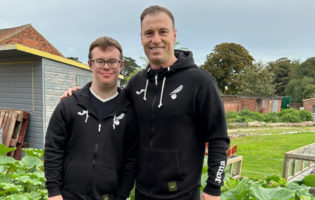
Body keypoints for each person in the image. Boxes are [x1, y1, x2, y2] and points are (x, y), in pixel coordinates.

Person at [62, 5, 230, 200]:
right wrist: (80, 95)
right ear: (141, 38)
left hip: (182, 194)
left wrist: (214, 188)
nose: (156, 39)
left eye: (163, 32)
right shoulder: (136, 83)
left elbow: (219, 138)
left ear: (174, 36)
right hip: (142, 193)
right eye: (149, 33)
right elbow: (109, 98)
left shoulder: (200, 82)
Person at [44, 36, 138, 200]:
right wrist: (53, 192)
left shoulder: (130, 111)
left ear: (121, 65)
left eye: (112, 61)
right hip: (67, 196)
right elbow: (53, 149)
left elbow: (132, 159)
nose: (106, 67)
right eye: (100, 61)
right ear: (90, 64)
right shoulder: (69, 106)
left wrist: (122, 196)